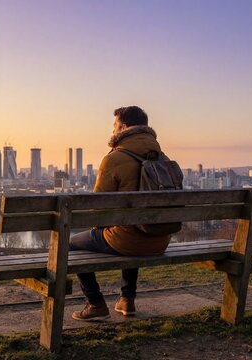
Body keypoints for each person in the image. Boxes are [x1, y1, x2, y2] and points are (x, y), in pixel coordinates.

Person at [71, 105, 172, 321]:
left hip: (127, 241)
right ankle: (127, 299)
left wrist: (100, 226)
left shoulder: (114, 159)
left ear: (124, 127)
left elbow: (97, 208)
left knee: (72, 243)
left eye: (115, 125)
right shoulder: (162, 158)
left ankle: (95, 303)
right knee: (131, 228)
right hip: (160, 239)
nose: (113, 130)